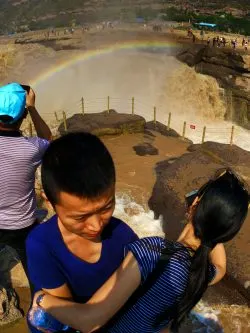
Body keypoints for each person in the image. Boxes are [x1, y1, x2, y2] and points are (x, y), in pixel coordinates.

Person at [29, 168, 249, 332]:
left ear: (194, 205)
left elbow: (90, 321)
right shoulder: (203, 272)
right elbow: (221, 266)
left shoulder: (151, 252)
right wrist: (216, 228)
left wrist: (42, 299)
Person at [26, 132, 138, 333]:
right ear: (50, 202)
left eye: (106, 208)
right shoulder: (41, 245)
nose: (96, 225)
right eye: (80, 217)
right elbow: (70, 319)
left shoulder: (124, 236)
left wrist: (42, 299)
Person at [0, 82, 51, 276]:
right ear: (23, 117)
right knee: (36, 272)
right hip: (22, 225)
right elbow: (47, 136)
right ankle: (38, 301)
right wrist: (31, 107)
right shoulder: (32, 149)